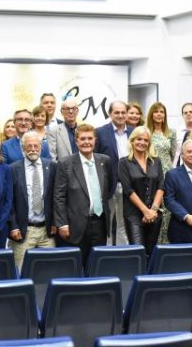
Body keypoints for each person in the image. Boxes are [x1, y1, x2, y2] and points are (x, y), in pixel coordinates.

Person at [54, 123, 112, 264]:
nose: (86, 142)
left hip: (100, 223)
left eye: (90, 138)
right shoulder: (65, 163)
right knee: (77, 267)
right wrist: (62, 224)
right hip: (76, 225)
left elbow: (108, 189)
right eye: (83, 138)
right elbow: (58, 196)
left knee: (97, 265)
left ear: (95, 140)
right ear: (76, 141)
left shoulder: (105, 160)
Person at [9, 131, 57, 269]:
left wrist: (55, 222)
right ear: (22, 148)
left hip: (47, 231)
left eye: (36, 146)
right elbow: (9, 202)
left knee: (49, 270)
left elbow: (56, 197)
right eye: (29, 146)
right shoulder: (12, 169)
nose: (33, 149)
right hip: (24, 231)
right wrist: (13, 226)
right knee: (20, 270)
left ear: (41, 147)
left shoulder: (52, 166)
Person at [118, 126, 164, 259]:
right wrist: (145, 211)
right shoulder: (124, 162)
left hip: (155, 214)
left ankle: (150, 279)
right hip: (134, 215)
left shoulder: (156, 161)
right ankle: (139, 280)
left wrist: (153, 210)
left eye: (145, 140)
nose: (142, 143)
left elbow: (161, 185)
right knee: (138, 253)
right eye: (139, 139)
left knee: (151, 253)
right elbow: (128, 190)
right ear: (132, 141)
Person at [95, 101, 132, 245]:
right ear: (110, 114)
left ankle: (123, 255)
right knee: (108, 223)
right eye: (117, 112)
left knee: (124, 224)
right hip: (108, 184)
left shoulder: (134, 131)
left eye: (123, 112)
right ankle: (107, 254)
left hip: (129, 185)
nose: (121, 115)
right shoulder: (100, 132)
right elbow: (96, 158)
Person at [146, 102, 176, 244]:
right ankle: (155, 244)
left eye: (162, 112)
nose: (159, 114)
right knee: (156, 207)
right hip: (152, 172)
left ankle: (166, 243)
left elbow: (173, 154)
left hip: (168, 172)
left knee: (169, 208)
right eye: (156, 111)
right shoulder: (146, 132)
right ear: (151, 114)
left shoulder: (171, 133)